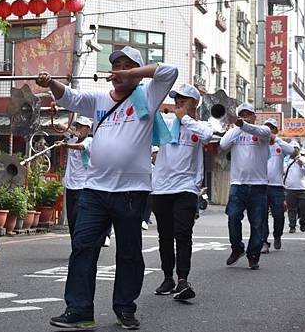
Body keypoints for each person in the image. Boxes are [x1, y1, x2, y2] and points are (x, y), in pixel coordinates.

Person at [37, 46, 178, 330]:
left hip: (131, 191)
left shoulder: (148, 97)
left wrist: (132, 74)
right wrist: (51, 83)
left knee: (128, 252)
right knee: (83, 248)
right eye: (116, 66)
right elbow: (71, 98)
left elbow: (169, 71)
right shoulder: (99, 99)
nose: (119, 71)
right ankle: (79, 310)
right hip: (94, 190)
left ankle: (125, 308)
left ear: (137, 73)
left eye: (127, 66)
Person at [151, 84, 213, 300]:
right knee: (164, 235)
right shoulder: (167, 123)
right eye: (176, 99)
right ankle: (167, 277)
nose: (178, 103)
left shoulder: (199, 125)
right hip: (161, 188)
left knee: (183, 233)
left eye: (183, 100)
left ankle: (183, 279)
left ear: (194, 103)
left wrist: (184, 118)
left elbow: (207, 135)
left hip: (186, 187)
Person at [219, 102, 271, 270]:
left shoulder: (264, 131)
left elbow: (260, 131)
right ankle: (237, 247)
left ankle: (253, 254)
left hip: (258, 186)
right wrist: (238, 126)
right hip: (238, 184)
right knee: (233, 217)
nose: (245, 116)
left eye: (249, 114)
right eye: (242, 114)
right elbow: (222, 144)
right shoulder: (234, 132)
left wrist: (244, 125)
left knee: (257, 223)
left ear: (255, 117)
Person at [261, 119, 296, 253]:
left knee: (278, 215)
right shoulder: (259, 143)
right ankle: (264, 241)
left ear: (275, 130)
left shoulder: (280, 145)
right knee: (261, 215)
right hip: (261, 185)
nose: (269, 130)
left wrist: (277, 140)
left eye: (271, 128)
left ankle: (277, 236)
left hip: (276, 186)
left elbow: (292, 151)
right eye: (266, 128)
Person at [61, 116, 93, 244]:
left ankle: (82, 244)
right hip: (70, 185)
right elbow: (59, 125)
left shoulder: (89, 140)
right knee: (72, 219)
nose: (79, 128)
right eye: (77, 126)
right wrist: (73, 132)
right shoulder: (72, 138)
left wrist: (65, 145)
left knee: (79, 217)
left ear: (88, 129)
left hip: (83, 186)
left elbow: (81, 147)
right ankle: (75, 245)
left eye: (81, 126)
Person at [283, 144, 305, 233]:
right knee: (291, 209)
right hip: (290, 189)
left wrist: (303, 164)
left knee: (304, 207)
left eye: (295, 149)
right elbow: (282, 172)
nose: (293, 151)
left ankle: (302, 221)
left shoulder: (304, 159)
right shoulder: (286, 160)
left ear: (298, 150)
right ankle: (292, 226)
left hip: (303, 189)